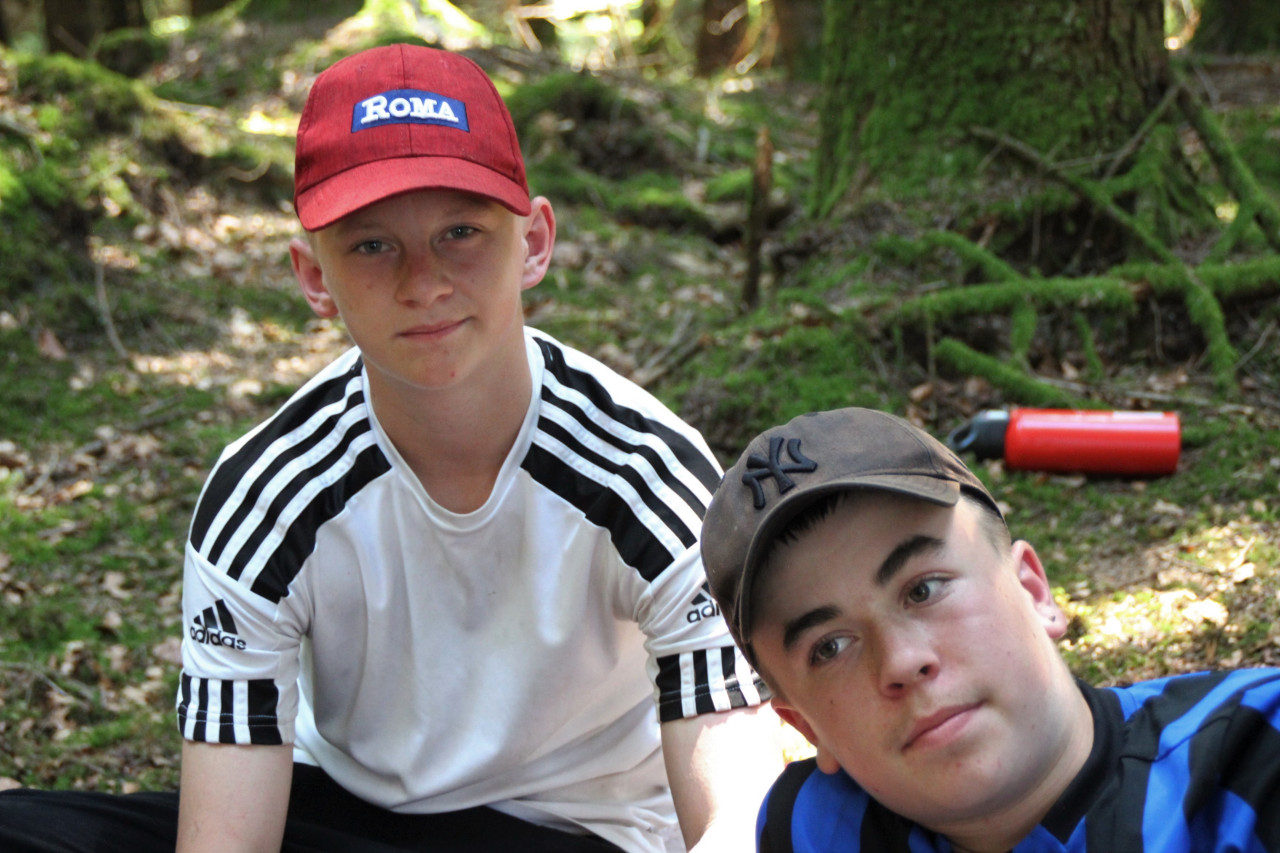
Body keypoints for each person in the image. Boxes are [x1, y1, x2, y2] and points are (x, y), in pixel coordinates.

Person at [0, 43, 781, 853]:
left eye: (461, 232)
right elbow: (227, 838)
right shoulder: (266, 497)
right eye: (372, 246)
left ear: (535, 242)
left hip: (575, 829)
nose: (423, 283)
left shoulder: (645, 474)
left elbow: (738, 817)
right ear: (313, 276)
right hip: (343, 814)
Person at [698, 406, 1280, 853]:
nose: (901, 661)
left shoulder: (1250, 760)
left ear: (1034, 591)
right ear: (806, 727)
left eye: (923, 589)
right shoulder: (815, 832)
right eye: (830, 647)